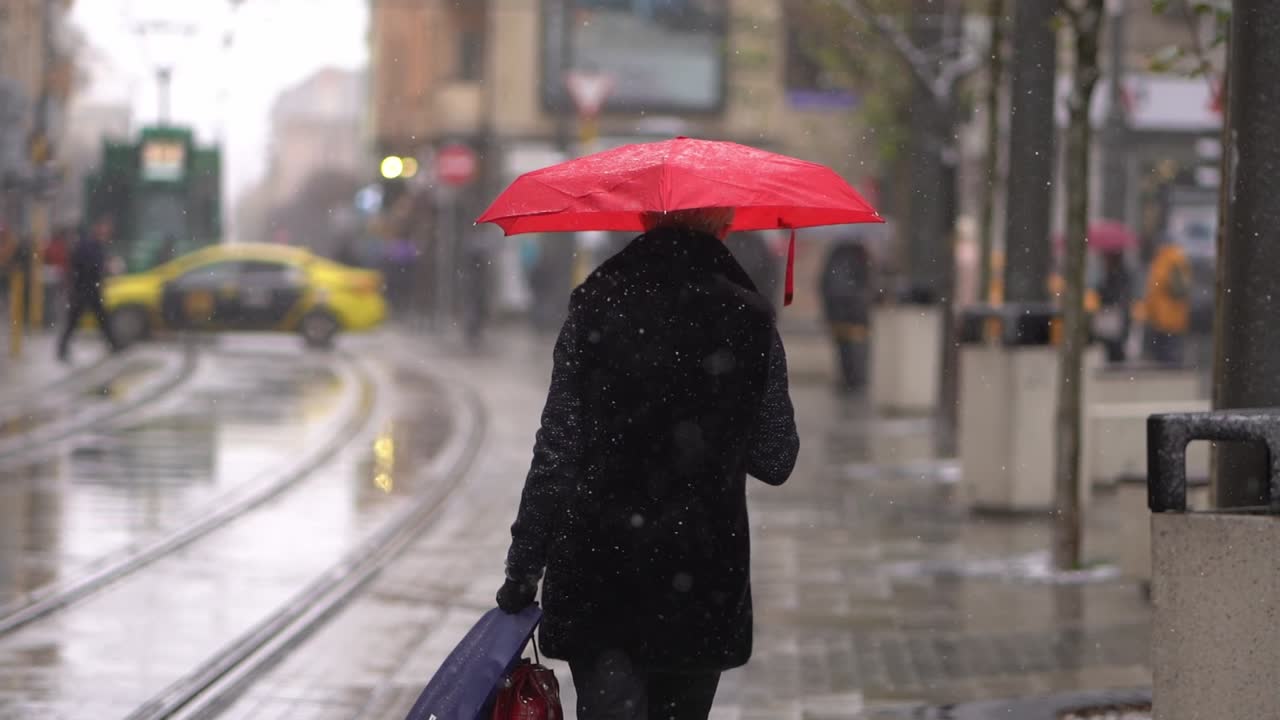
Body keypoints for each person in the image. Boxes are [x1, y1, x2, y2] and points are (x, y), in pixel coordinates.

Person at [495, 207, 799, 720]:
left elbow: (557, 452)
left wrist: (523, 570)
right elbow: (776, 458)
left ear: (642, 219)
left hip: (601, 576)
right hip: (700, 579)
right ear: (724, 225)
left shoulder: (595, 308)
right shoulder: (748, 320)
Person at [57, 216, 120, 362]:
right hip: (84, 288)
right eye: (105, 228)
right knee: (76, 320)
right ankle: (62, 349)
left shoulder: (94, 244)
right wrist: (105, 268)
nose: (107, 232)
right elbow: (88, 265)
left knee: (100, 318)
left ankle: (113, 344)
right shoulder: (88, 244)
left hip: (89, 288)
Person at [820, 240, 872, 392]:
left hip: (841, 312)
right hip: (853, 313)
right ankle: (855, 380)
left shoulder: (835, 255)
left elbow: (824, 284)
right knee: (853, 347)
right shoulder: (860, 255)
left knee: (845, 348)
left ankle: (849, 379)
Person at [1143, 239, 1190, 366]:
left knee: (1168, 357)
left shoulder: (1169, 260)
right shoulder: (1165, 260)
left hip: (1168, 316)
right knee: (1166, 355)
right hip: (1165, 316)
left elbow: (1175, 288)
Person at [1094, 251, 1133, 364]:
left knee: (1114, 344)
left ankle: (1115, 364)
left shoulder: (1115, 273)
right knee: (1113, 344)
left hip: (1114, 315)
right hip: (1114, 315)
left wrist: (1102, 292)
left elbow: (1111, 293)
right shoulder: (1118, 272)